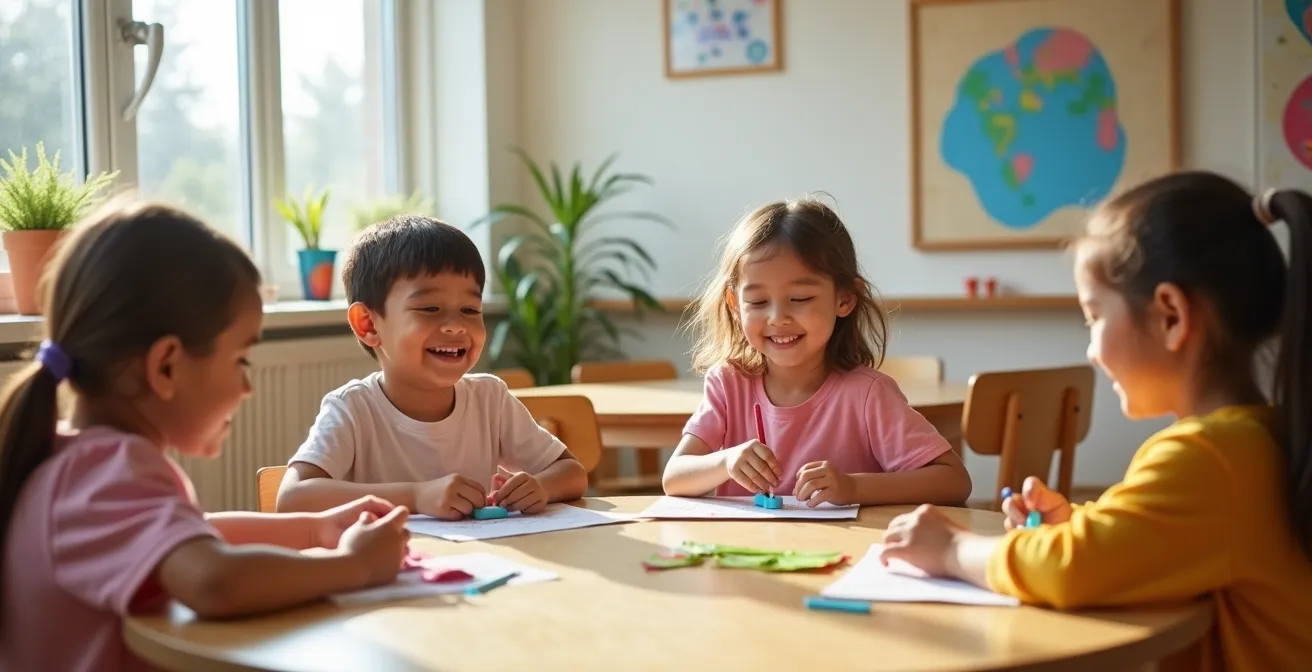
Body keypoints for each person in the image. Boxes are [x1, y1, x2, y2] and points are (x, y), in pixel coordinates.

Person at [879, 172, 1312, 669]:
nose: (1091, 348)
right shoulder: (1257, 438)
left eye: (1094, 317)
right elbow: (1166, 540)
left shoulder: (1209, 458)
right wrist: (1080, 523)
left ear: (1171, 316)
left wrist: (953, 548)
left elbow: (1073, 569)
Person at [0, 200, 410, 671]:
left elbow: (193, 532)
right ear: (166, 366)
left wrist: (315, 528)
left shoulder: (74, 461)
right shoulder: (109, 470)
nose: (247, 387)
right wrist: (354, 567)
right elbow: (213, 581)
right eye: (240, 361)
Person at [662, 198, 971, 506]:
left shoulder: (867, 395)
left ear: (845, 298)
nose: (777, 318)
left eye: (800, 298)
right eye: (757, 302)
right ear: (734, 305)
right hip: (748, 551)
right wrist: (724, 462)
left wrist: (853, 488)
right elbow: (674, 478)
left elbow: (954, 481)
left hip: (844, 553)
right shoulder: (728, 383)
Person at [276, 215, 588, 520]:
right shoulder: (353, 409)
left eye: (470, 309)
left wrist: (541, 487)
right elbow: (292, 498)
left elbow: (571, 473)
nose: (455, 326)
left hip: (478, 563)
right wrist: (416, 497)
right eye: (430, 308)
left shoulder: (490, 399)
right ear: (368, 324)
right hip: (391, 567)